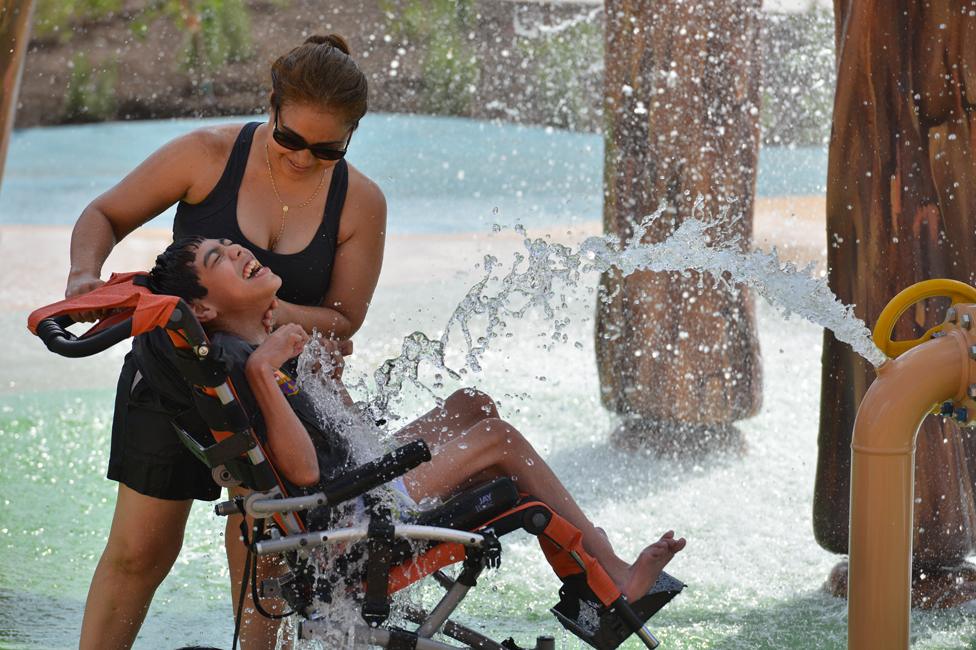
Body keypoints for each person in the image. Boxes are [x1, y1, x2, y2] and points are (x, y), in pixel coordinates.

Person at [63, 34, 490, 650]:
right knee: (139, 553)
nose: (300, 159)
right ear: (271, 107)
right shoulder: (207, 156)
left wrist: (269, 307)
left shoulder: (360, 201)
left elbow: (345, 319)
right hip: (173, 384)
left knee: (266, 557)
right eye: (289, 140)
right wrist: (83, 276)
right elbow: (103, 215)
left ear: (353, 135)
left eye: (325, 150)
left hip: (271, 395)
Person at [148, 236, 687, 607]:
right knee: (497, 440)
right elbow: (306, 474)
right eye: (218, 256)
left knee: (470, 404)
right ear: (202, 310)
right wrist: (269, 371)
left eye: (228, 243)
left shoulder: (244, 347)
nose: (238, 249)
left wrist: (320, 380)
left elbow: (334, 436)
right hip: (349, 516)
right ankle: (612, 572)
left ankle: (583, 543)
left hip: (353, 483)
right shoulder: (246, 364)